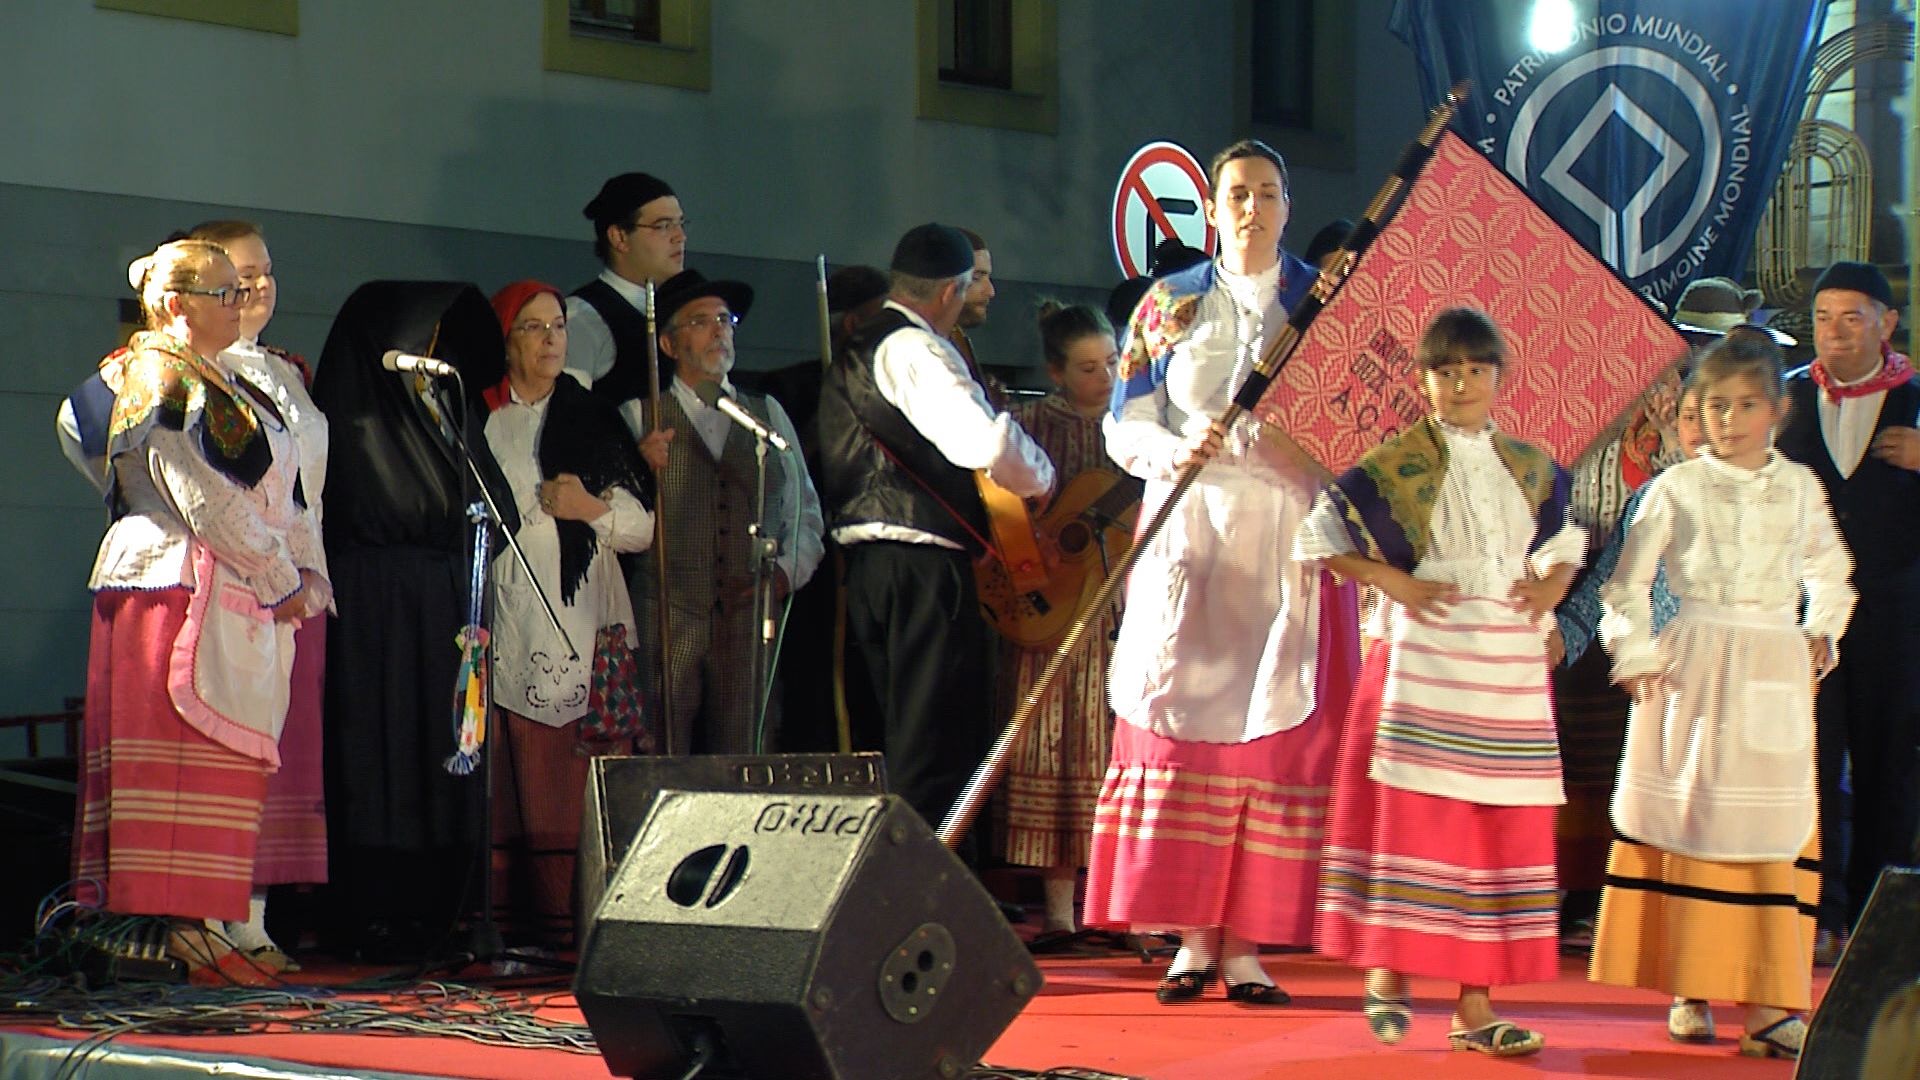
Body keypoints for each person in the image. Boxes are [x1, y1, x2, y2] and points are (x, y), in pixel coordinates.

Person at [1082, 139, 1359, 1006]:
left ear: (1288, 204)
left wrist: (1302, 452)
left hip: (1284, 531)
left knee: (1272, 731)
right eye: (1236, 192)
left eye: (1268, 192)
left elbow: (1361, 428)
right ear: (1211, 206)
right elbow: (1122, 425)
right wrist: (1175, 447)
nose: (1252, 207)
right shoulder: (1168, 304)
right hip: (1191, 532)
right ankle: (1191, 940)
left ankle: (1246, 944)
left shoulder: (1327, 301)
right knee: (1181, 722)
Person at [1298, 307, 1583, 1055]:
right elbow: (1321, 537)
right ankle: (1389, 971)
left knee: (1495, 833)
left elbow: (1564, 543)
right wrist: (1393, 581)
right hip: (1424, 658)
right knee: (1418, 823)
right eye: (1446, 370)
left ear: (1499, 377)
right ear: (1423, 379)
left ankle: (1475, 1004)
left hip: (1505, 666)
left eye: (1476, 370)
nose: (1461, 385)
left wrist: (1552, 588)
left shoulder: (1530, 464)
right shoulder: (1393, 464)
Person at [1593, 330, 1854, 1060]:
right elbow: (1627, 583)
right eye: (1715, 406)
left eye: (1746, 405)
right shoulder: (1675, 488)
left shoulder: (1799, 487)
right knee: (1694, 817)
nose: (1731, 420)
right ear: (1695, 412)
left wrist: (1820, 630)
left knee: (1773, 832)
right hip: (1697, 662)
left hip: (1771, 661)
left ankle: (1772, 1003)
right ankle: (1690, 985)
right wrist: (1636, 650)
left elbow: (1832, 570)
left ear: (1778, 408)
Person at [72, 238, 329, 978]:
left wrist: (304, 568)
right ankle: (179, 929)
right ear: (176, 303)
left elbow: (282, 490)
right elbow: (204, 496)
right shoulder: (159, 376)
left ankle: (211, 926)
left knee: (226, 754)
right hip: (169, 580)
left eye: (241, 287)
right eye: (221, 291)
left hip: (230, 582)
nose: (238, 301)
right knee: (186, 754)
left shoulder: (233, 383)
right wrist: (281, 574)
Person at [817, 222, 1054, 862]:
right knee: (932, 742)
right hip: (919, 565)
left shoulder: (868, 344)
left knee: (897, 736)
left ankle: (907, 891)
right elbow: (983, 442)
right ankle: (923, 896)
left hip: (875, 564)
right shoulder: (915, 350)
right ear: (950, 290)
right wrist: (1042, 478)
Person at [480, 280, 655, 946]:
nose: (551, 339)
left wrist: (589, 509)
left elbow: (642, 526)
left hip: (577, 615)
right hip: (501, 610)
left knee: (568, 769)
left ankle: (569, 925)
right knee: (502, 763)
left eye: (557, 326)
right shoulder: (486, 421)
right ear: (507, 340)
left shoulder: (592, 419)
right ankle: (508, 926)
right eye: (533, 328)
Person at [1774, 261, 1920, 964]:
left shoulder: (1917, 400)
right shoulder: (1786, 399)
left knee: (1890, 765)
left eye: (1852, 318)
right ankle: (1818, 911)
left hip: (1899, 616)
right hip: (1806, 618)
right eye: (1824, 318)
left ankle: (1876, 921)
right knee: (1811, 762)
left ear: (1887, 323)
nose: (1834, 334)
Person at [636, 269, 823, 755]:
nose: (720, 329)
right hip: (669, 615)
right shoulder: (639, 416)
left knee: (748, 750)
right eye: (701, 321)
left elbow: (804, 510)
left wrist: (784, 573)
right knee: (663, 747)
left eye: (726, 319)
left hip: (748, 617)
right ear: (670, 345)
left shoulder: (769, 414)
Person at [999, 301, 1126, 938]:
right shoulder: (1026, 427)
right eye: (1087, 368)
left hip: (1124, 608)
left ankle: (1121, 909)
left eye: (1111, 362)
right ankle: (1057, 914)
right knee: (1055, 738)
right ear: (1055, 371)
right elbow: (998, 509)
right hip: (1051, 612)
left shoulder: (1140, 425)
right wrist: (1034, 561)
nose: (1104, 377)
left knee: (1114, 747)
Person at [567, 171, 687, 431]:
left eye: (681, 224)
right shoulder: (583, 318)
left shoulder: (684, 312)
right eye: (664, 225)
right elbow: (567, 420)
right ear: (619, 237)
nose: (680, 237)